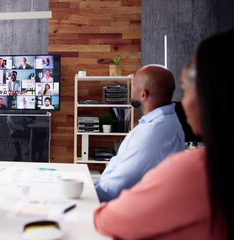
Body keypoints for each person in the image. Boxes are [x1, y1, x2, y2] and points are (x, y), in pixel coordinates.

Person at [94, 28, 234, 239]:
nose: (184, 102)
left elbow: (109, 217)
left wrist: (87, 196)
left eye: (187, 90)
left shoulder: (198, 167)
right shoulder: (159, 125)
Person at [94, 64, 185, 202]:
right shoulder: (159, 122)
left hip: (115, 206)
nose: (131, 89)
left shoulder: (155, 132)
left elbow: (117, 186)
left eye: (134, 85)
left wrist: (87, 194)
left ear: (143, 94)